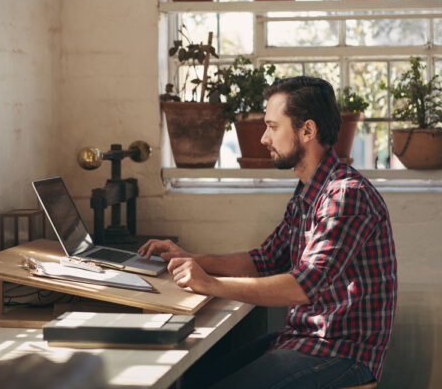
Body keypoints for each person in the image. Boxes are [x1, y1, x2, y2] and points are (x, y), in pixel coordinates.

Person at [139, 76, 397, 389]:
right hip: (303, 339)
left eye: (273, 127)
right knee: (192, 378)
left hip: (341, 353)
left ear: (307, 131)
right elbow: (265, 259)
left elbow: (302, 287)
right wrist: (193, 259)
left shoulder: (345, 195)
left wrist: (210, 283)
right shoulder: (309, 190)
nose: (264, 138)